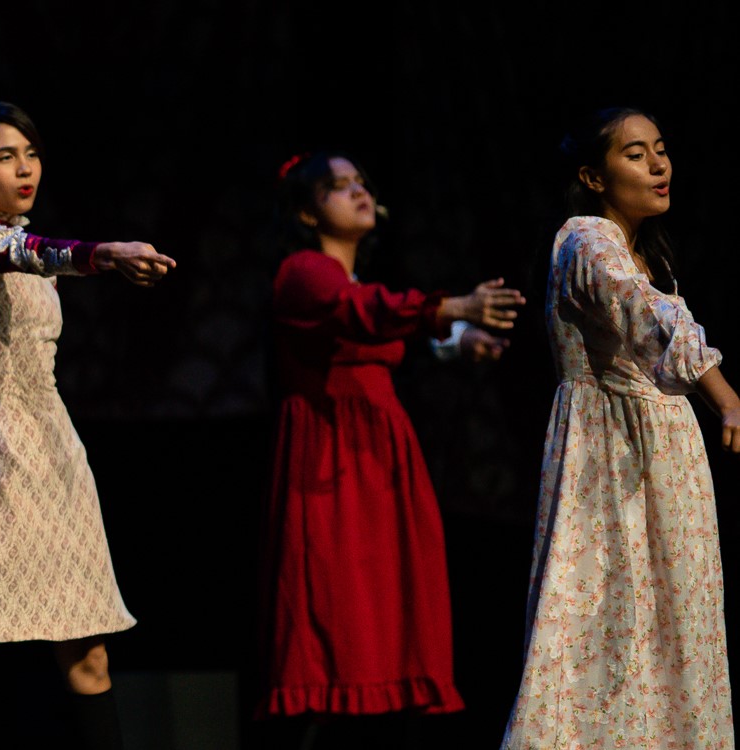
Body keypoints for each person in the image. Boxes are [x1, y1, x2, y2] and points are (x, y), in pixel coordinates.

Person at [0, 100, 175, 750]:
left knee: (88, 658)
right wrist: (103, 254)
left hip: (54, 454)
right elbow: (21, 251)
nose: (25, 167)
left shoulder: (15, 230)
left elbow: (28, 247)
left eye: (31, 153)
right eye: (6, 156)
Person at [254, 150, 525, 747]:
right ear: (305, 212)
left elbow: (380, 333)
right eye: (335, 187)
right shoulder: (304, 270)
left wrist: (455, 340)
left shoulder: (353, 283)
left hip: (378, 461)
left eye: (360, 183)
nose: (356, 192)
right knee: (335, 626)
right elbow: (357, 315)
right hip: (332, 462)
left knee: (386, 625)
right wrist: (447, 308)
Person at [501, 107, 738, 748]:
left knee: (671, 631)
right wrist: (720, 388)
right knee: (597, 626)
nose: (658, 164)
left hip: (663, 454)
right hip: (611, 454)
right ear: (593, 176)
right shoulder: (586, 236)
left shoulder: (641, 249)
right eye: (635, 154)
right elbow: (643, 312)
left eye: (661, 149)